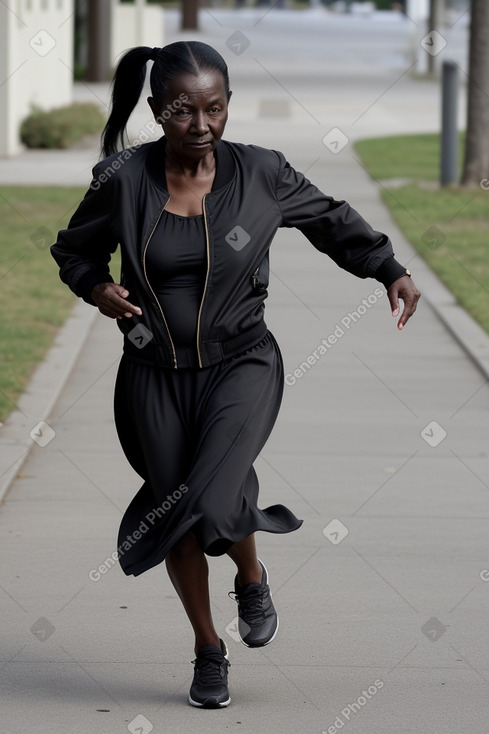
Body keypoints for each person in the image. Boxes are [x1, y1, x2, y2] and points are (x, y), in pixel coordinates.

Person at [51, 41, 420, 709]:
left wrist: (387, 269)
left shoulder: (261, 173)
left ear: (228, 107)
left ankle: (250, 575)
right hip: (151, 374)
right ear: (158, 109)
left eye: (214, 109)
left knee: (215, 501)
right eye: (184, 111)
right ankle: (207, 649)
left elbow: (331, 221)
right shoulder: (123, 179)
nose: (200, 126)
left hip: (240, 363)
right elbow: (73, 251)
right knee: (176, 517)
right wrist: (97, 289)